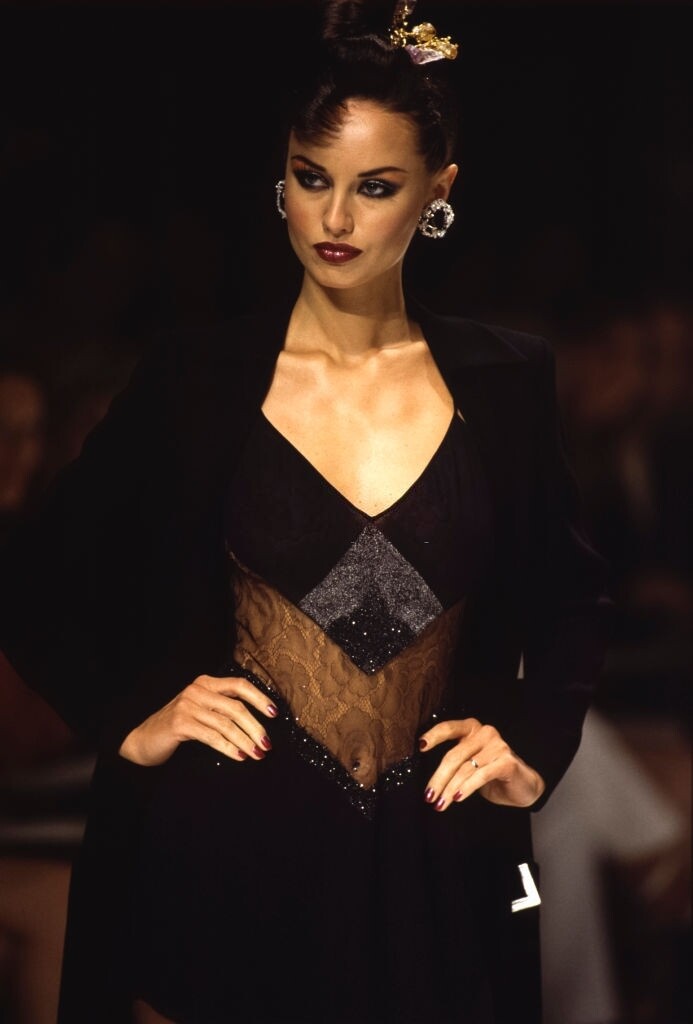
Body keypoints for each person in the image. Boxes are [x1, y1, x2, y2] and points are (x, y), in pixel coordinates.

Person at [0, 2, 611, 1022]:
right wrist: (129, 718)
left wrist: (533, 744)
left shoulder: (506, 382)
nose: (333, 218)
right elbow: (35, 572)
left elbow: (572, 598)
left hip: (436, 859)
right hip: (226, 841)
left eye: (374, 187)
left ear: (437, 192)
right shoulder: (195, 382)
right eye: (311, 177)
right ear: (280, 179)